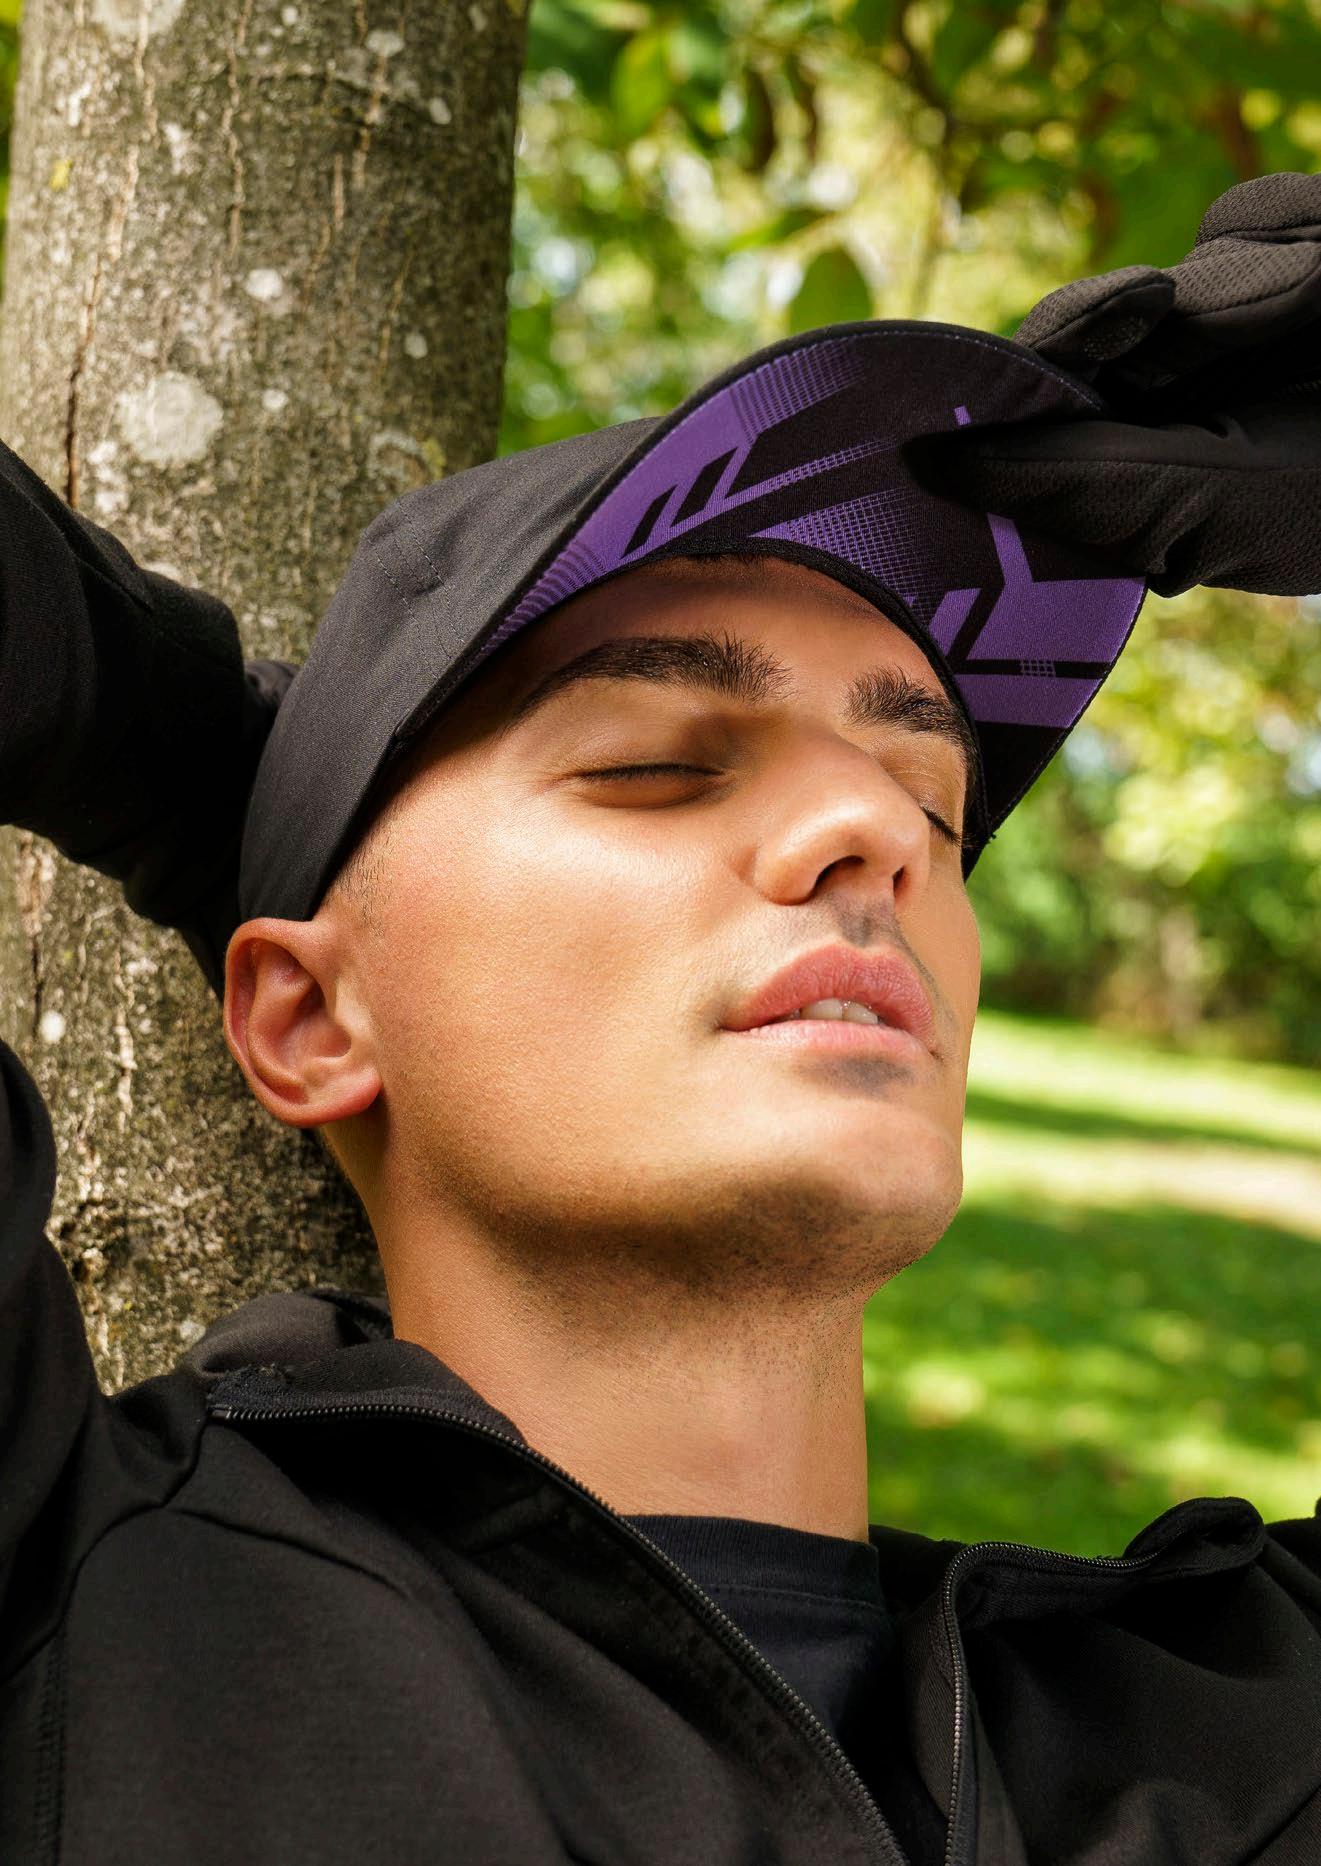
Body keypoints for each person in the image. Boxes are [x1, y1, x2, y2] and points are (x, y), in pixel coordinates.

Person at [1, 172, 1319, 1866]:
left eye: (927, 798)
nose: (871, 831)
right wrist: (217, 766)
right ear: (305, 1016)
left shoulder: (1255, 1722)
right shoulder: (71, 1604)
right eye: (649, 767)